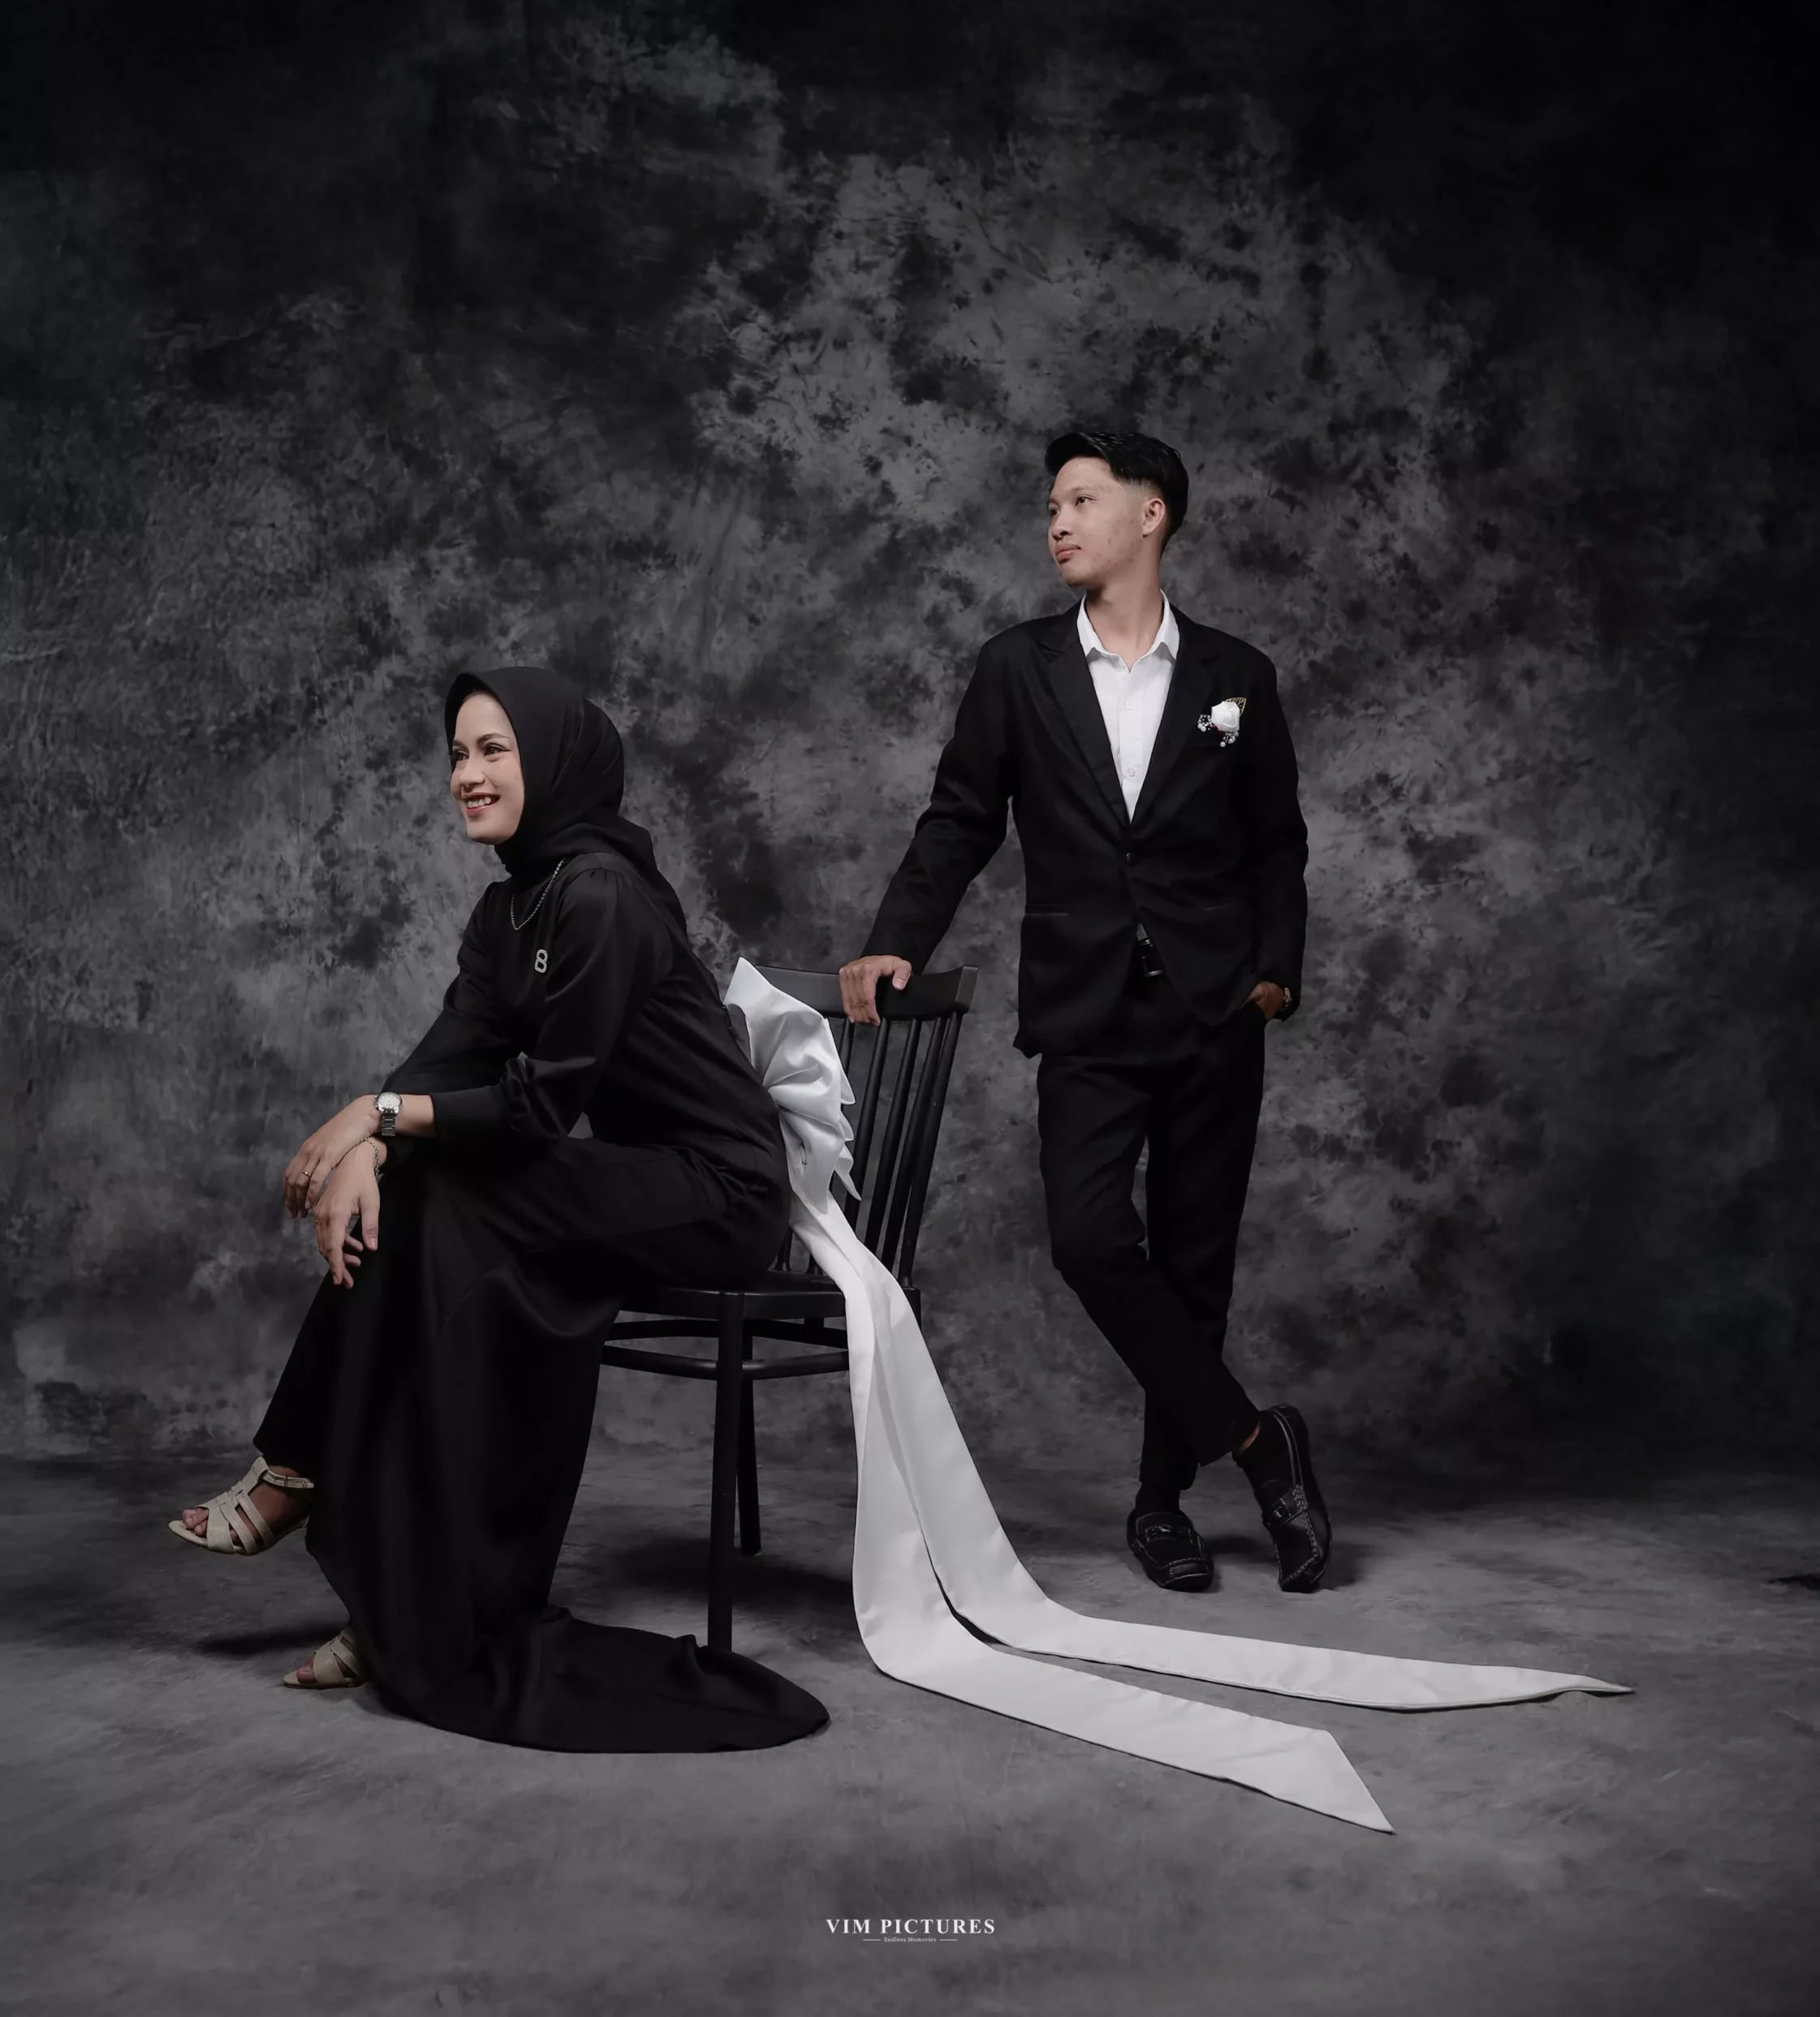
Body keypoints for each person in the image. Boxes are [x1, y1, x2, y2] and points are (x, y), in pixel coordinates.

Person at [169, 665, 829, 1751]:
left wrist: (373, 1118)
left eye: (493, 750)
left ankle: (301, 1474)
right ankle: (409, 1599)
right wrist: (370, 1147)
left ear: (555, 762)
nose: (464, 775)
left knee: (449, 1196)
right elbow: (452, 1056)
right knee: (443, 1229)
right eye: (457, 754)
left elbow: (543, 1103)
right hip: (631, 1178)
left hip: (715, 1190)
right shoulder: (508, 906)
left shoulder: (600, 894)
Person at [840, 429, 1330, 1594]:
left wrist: (1275, 970)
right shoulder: (1017, 668)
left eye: (1080, 500)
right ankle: (1260, 1444)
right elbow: (960, 819)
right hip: (1086, 1007)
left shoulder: (1237, 678)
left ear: (1150, 515)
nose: (1056, 522)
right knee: (1090, 1238)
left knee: (1196, 1265)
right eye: (1051, 506)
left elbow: (1276, 842)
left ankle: (1163, 1506)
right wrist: (896, 938)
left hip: (1214, 1008)